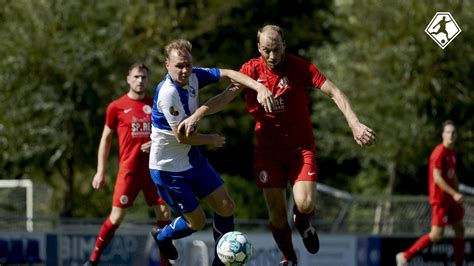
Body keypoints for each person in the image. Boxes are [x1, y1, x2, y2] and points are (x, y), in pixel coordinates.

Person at [178, 25, 376, 265]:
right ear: (259, 48)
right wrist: (199, 114)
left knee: (305, 203)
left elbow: (333, 91)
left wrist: (354, 123)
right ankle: (289, 259)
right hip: (268, 153)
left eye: (278, 50)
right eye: (267, 50)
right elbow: (225, 97)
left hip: (300, 149)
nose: (273, 56)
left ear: (285, 46)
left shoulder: (300, 68)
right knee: (278, 217)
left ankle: (303, 223)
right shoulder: (250, 70)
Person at [148, 39, 274, 266]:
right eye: (179, 66)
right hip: (168, 168)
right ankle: (163, 235)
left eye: (188, 64)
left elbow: (228, 73)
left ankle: (220, 263)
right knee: (196, 222)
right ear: (167, 65)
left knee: (226, 207)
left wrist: (260, 87)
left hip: (190, 157)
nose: (185, 70)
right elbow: (182, 136)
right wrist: (210, 139)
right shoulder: (167, 93)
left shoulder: (195, 75)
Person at [84, 63, 172, 266]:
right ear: (128, 79)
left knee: (165, 213)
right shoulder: (116, 107)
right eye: (136, 77)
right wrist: (100, 171)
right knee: (116, 218)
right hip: (129, 171)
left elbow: (169, 134)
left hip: (153, 170)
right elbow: (105, 139)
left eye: (143, 77)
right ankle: (93, 260)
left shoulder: (156, 104)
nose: (140, 81)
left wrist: (156, 142)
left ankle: (165, 263)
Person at [396, 120, 464, 266]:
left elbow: (453, 176)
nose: (451, 135)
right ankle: (405, 256)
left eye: (453, 133)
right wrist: (454, 193)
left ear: (456, 135)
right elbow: (437, 178)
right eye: (448, 132)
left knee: (460, 229)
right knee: (436, 235)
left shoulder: (452, 152)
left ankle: (459, 263)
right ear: (442, 135)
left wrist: (457, 193)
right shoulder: (439, 152)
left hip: (450, 199)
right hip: (440, 199)